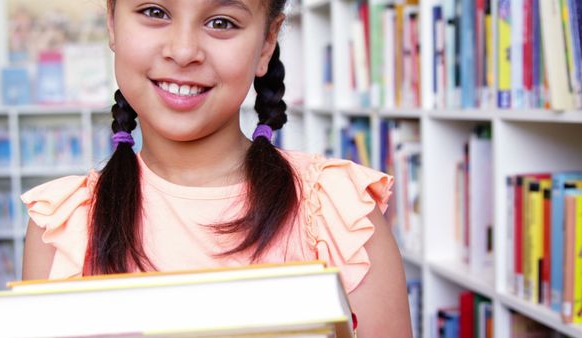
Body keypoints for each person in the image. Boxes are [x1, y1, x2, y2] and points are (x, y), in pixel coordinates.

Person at [21, 0, 412, 336]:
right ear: (112, 22)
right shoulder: (62, 227)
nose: (184, 50)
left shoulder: (338, 214)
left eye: (221, 22)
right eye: (155, 11)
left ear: (266, 42)